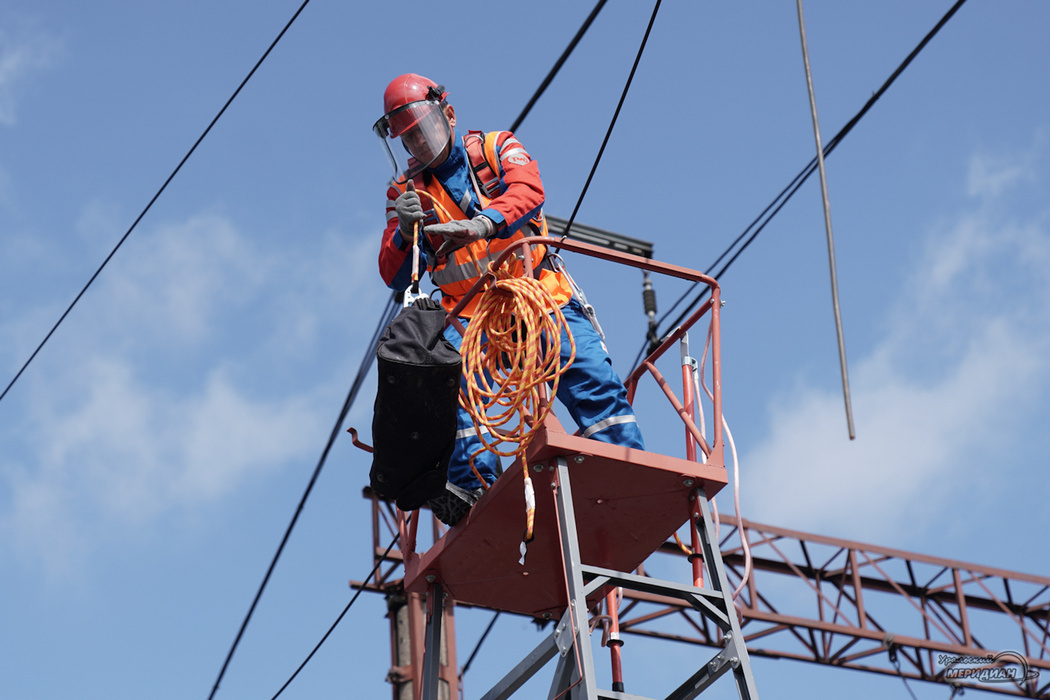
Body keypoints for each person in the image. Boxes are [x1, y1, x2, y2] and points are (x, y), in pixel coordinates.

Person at [375, 73, 644, 525]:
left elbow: (529, 191)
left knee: (588, 372)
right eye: (409, 138)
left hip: (537, 295)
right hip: (473, 319)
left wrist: (484, 224)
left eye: (423, 129)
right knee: (441, 383)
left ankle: (623, 473)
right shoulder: (405, 193)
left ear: (449, 115)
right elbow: (392, 274)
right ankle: (472, 493)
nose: (418, 144)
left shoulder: (496, 148)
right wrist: (404, 233)